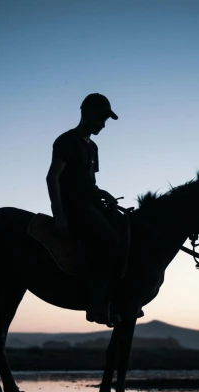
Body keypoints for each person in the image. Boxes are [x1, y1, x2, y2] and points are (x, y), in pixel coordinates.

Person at [46, 93, 124, 326]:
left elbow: (88, 183)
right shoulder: (66, 141)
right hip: (74, 207)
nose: (103, 124)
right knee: (109, 239)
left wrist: (103, 194)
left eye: (105, 120)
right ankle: (97, 305)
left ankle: (118, 297)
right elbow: (53, 178)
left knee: (125, 226)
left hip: (91, 203)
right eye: (101, 118)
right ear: (86, 114)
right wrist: (59, 215)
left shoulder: (94, 148)